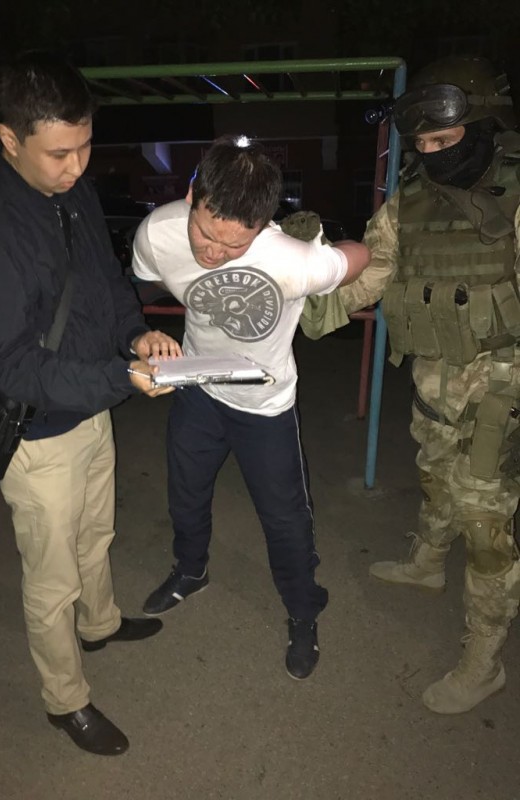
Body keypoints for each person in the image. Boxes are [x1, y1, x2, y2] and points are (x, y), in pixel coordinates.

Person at [0, 52, 183, 756]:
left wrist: (135, 334)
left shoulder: (71, 192)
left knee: (96, 533)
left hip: (91, 401)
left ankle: (100, 624)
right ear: (9, 139)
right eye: (58, 153)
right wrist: (120, 376)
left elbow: (105, 281)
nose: (76, 167)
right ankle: (64, 700)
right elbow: (11, 365)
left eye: (85, 146)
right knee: (50, 581)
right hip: (37, 433)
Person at [305, 56, 520, 713]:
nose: (430, 153)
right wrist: (309, 299)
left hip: (502, 388)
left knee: (486, 526)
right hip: (434, 378)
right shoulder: (410, 200)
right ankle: (427, 563)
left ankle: (484, 658)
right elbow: (375, 271)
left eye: (443, 140)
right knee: (433, 475)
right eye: (421, 143)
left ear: (484, 126)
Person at [131, 135, 370, 680]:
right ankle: (191, 570)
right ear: (191, 195)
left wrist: (342, 253)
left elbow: (358, 257)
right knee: (185, 492)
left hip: (265, 405)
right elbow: (147, 279)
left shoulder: (293, 259)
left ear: (263, 226)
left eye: (233, 245)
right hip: (198, 388)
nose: (212, 253)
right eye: (205, 233)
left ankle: (303, 610)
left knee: (285, 519)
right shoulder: (158, 231)